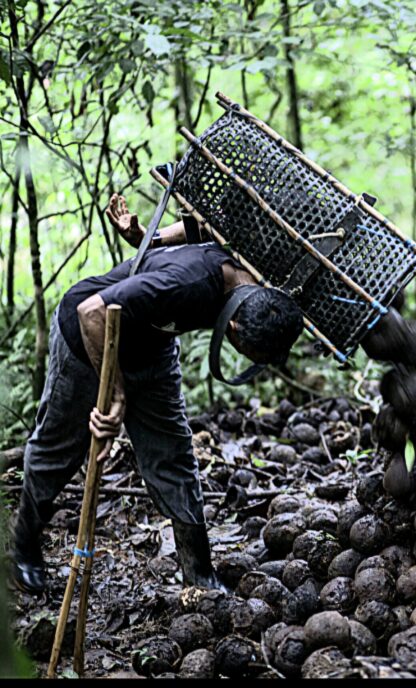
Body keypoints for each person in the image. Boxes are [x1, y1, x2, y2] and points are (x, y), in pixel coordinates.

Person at [9, 194, 305, 594]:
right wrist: (114, 392)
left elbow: (204, 223)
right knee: (58, 451)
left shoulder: (253, 271)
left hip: (153, 346)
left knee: (174, 457)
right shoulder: (184, 286)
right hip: (87, 342)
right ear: (232, 330)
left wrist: (150, 235)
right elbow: (92, 313)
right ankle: (23, 546)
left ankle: (199, 574)